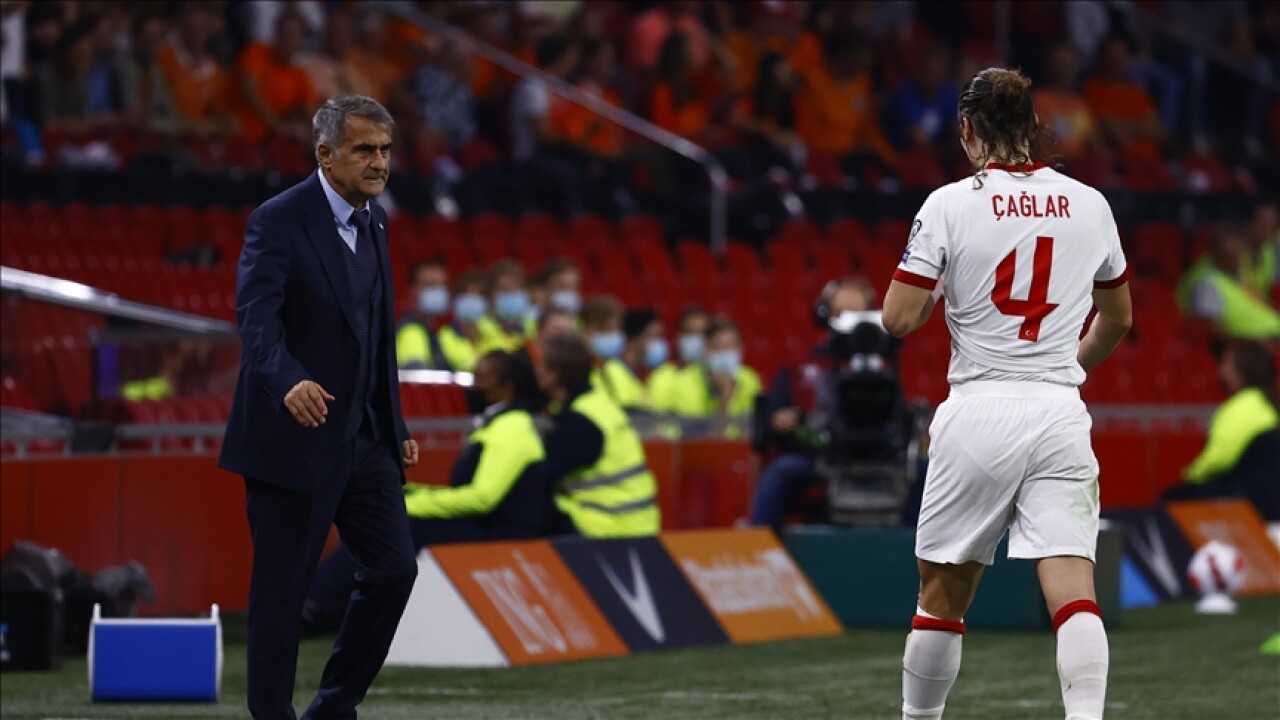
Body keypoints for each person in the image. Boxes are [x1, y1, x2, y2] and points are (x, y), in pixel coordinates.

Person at [881, 67, 1133, 720]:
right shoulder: (1090, 204)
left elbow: (898, 318)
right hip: (1057, 410)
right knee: (1073, 591)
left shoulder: (949, 204)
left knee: (941, 597)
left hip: (979, 410)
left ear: (967, 129)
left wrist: (937, 292)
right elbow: (1119, 318)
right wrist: (1068, 367)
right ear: (1032, 125)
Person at [218, 96, 419, 719]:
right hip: (294, 437)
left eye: (385, 150)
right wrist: (287, 381)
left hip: (366, 440)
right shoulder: (279, 219)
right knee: (281, 598)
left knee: (395, 571)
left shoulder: (376, 221)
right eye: (364, 150)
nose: (379, 162)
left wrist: (394, 423)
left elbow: (374, 334)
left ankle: (333, 708)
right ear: (326, 154)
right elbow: (256, 319)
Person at [304, 350, 548, 631]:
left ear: (507, 386)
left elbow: (482, 498)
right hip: (484, 526)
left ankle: (316, 605)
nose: (473, 384)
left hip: (499, 534)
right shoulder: (503, 422)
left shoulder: (512, 427)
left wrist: (408, 504)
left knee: (392, 524)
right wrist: (411, 492)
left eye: (482, 377)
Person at [749, 278, 877, 531]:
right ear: (825, 315)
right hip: (817, 458)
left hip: (872, 459)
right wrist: (779, 420)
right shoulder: (802, 367)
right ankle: (762, 546)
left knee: (923, 472)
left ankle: (924, 550)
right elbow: (769, 423)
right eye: (842, 314)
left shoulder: (880, 366)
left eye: (857, 315)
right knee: (780, 472)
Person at [537, 334, 661, 537]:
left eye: (539, 365)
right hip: (638, 523)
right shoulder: (598, 403)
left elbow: (541, 473)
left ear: (554, 374)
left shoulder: (581, 423)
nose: (534, 371)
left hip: (607, 526)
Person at [1164, 341, 1280, 520]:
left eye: (1227, 364)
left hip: (1250, 499)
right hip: (1268, 495)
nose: (1221, 370)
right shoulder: (1268, 403)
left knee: (1171, 498)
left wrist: (1191, 476)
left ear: (1240, 374)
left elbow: (1219, 458)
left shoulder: (1241, 407)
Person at [1176, 224, 1280, 341]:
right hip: (1253, 346)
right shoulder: (1208, 286)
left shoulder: (1241, 278)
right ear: (1216, 254)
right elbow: (1210, 334)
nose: (1238, 257)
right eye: (1231, 253)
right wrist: (1256, 342)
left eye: (1240, 250)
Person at [231, 10, 316, 143]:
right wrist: (277, 125)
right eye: (285, 33)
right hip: (239, 135)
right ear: (276, 34)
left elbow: (309, 111)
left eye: (295, 35)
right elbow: (249, 90)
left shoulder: (299, 75)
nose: (289, 40)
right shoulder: (257, 52)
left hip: (270, 142)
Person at [669, 317, 763, 419]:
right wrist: (724, 398)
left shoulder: (750, 379)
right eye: (719, 348)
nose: (725, 355)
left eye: (731, 347)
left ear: (741, 349)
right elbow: (699, 429)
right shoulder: (684, 384)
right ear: (705, 351)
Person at [596, 307, 666, 411]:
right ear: (634, 338)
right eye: (653, 337)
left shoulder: (646, 373)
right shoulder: (610, 370)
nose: (658, 344)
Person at [395, 258, 459, 371]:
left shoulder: (431, 331)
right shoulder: (411, 331)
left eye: (441, 285)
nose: (437, 291)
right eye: (430, 285)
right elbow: (415, 377)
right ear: (413, 290)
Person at [650, 305, 710, 413]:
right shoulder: (660, 376)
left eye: (702, 333)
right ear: (678, 336)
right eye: (690, 332)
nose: (696, 339)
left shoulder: (714, 377)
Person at [434, 269, 488, 373]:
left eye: (478, 295)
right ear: (455, 300)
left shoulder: (491, 332)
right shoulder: (445, 335)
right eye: (467, 295)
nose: (472, 300)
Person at [478, 259, 531, 353]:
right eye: (504, 290)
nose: (509, 296)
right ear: (491, 294)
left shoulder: (533, 328)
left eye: (513, 290)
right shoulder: (478, 328)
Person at [581, 294, 626, 365]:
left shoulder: (617, 364)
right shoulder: (576, 362)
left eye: (618, 327)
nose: (615, 332)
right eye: (609, 328)